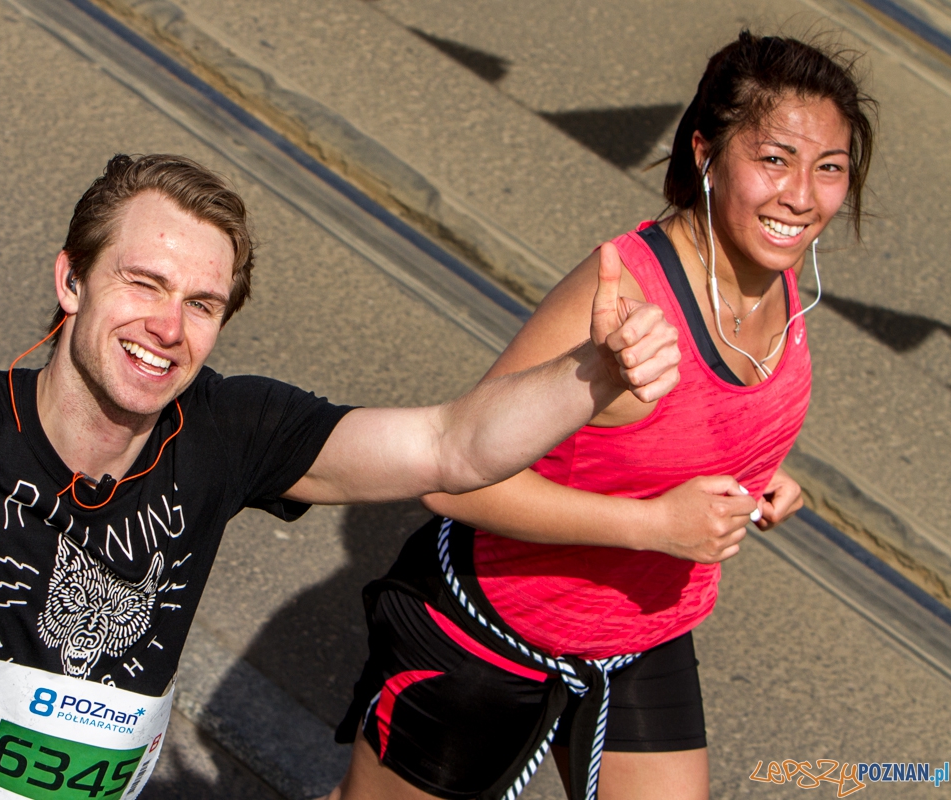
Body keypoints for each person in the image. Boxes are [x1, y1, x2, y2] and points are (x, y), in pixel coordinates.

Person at [0, 103, 680, 800]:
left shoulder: (223, 430)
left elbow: (450, 446)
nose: (166, 327)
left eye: (201, 304)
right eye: (144, 283)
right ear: (70, 280)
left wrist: (592, 375)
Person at [325, 31, 875, 800]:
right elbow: (453, 483)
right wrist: (656, 527)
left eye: (830, 169)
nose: (802, 197)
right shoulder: (626, 295)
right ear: (707, 154)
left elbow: (694, 419)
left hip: (641, 638)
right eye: (774, 159)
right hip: (484, 640)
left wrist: (760, 473)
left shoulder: (778, 278)